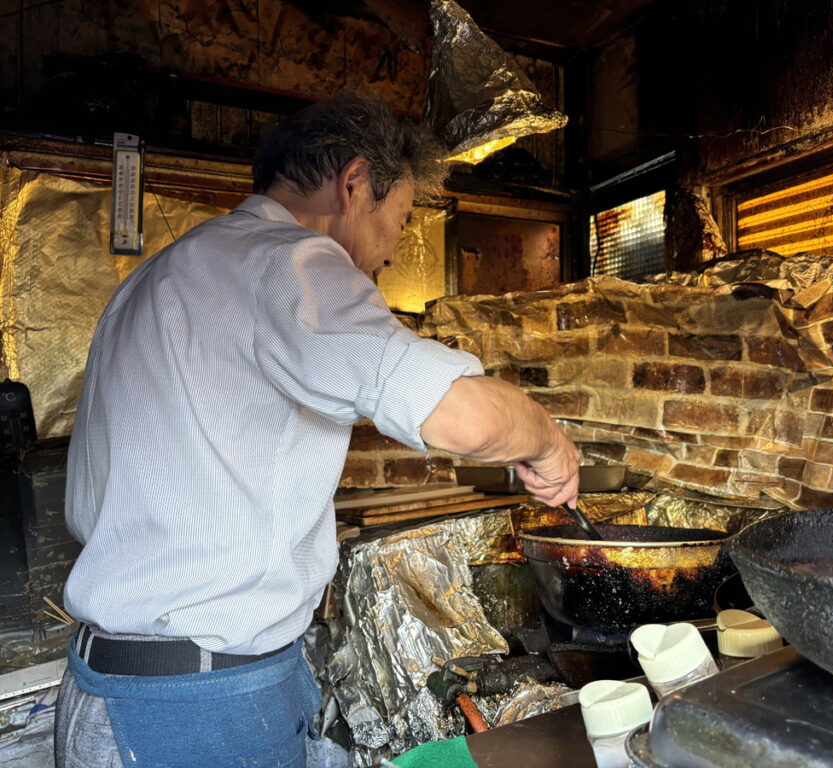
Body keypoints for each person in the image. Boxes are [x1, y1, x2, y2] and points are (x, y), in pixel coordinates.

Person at [54, 93, 580, 768]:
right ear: (354, 183)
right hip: (194, 709)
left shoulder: (160, 276)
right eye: (401, 217)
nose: (394, 248)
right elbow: (466, 416)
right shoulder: (289, 261)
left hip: (125, 687)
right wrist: (548, 442)